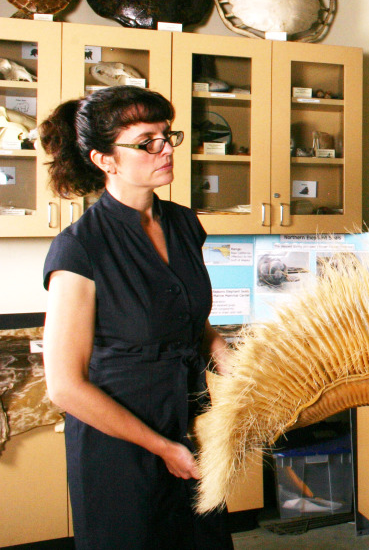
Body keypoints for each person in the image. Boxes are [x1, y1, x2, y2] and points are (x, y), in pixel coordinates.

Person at [40, 86, 233, 550]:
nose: (166, 150)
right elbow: (64, 385)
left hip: (190, 427)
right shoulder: (79, 246)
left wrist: (229, 357)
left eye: (168, 135)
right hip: (120, 446)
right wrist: (162, 447)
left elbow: (190, 322)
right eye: (147, 141)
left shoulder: (185, 224)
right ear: (105, 159)